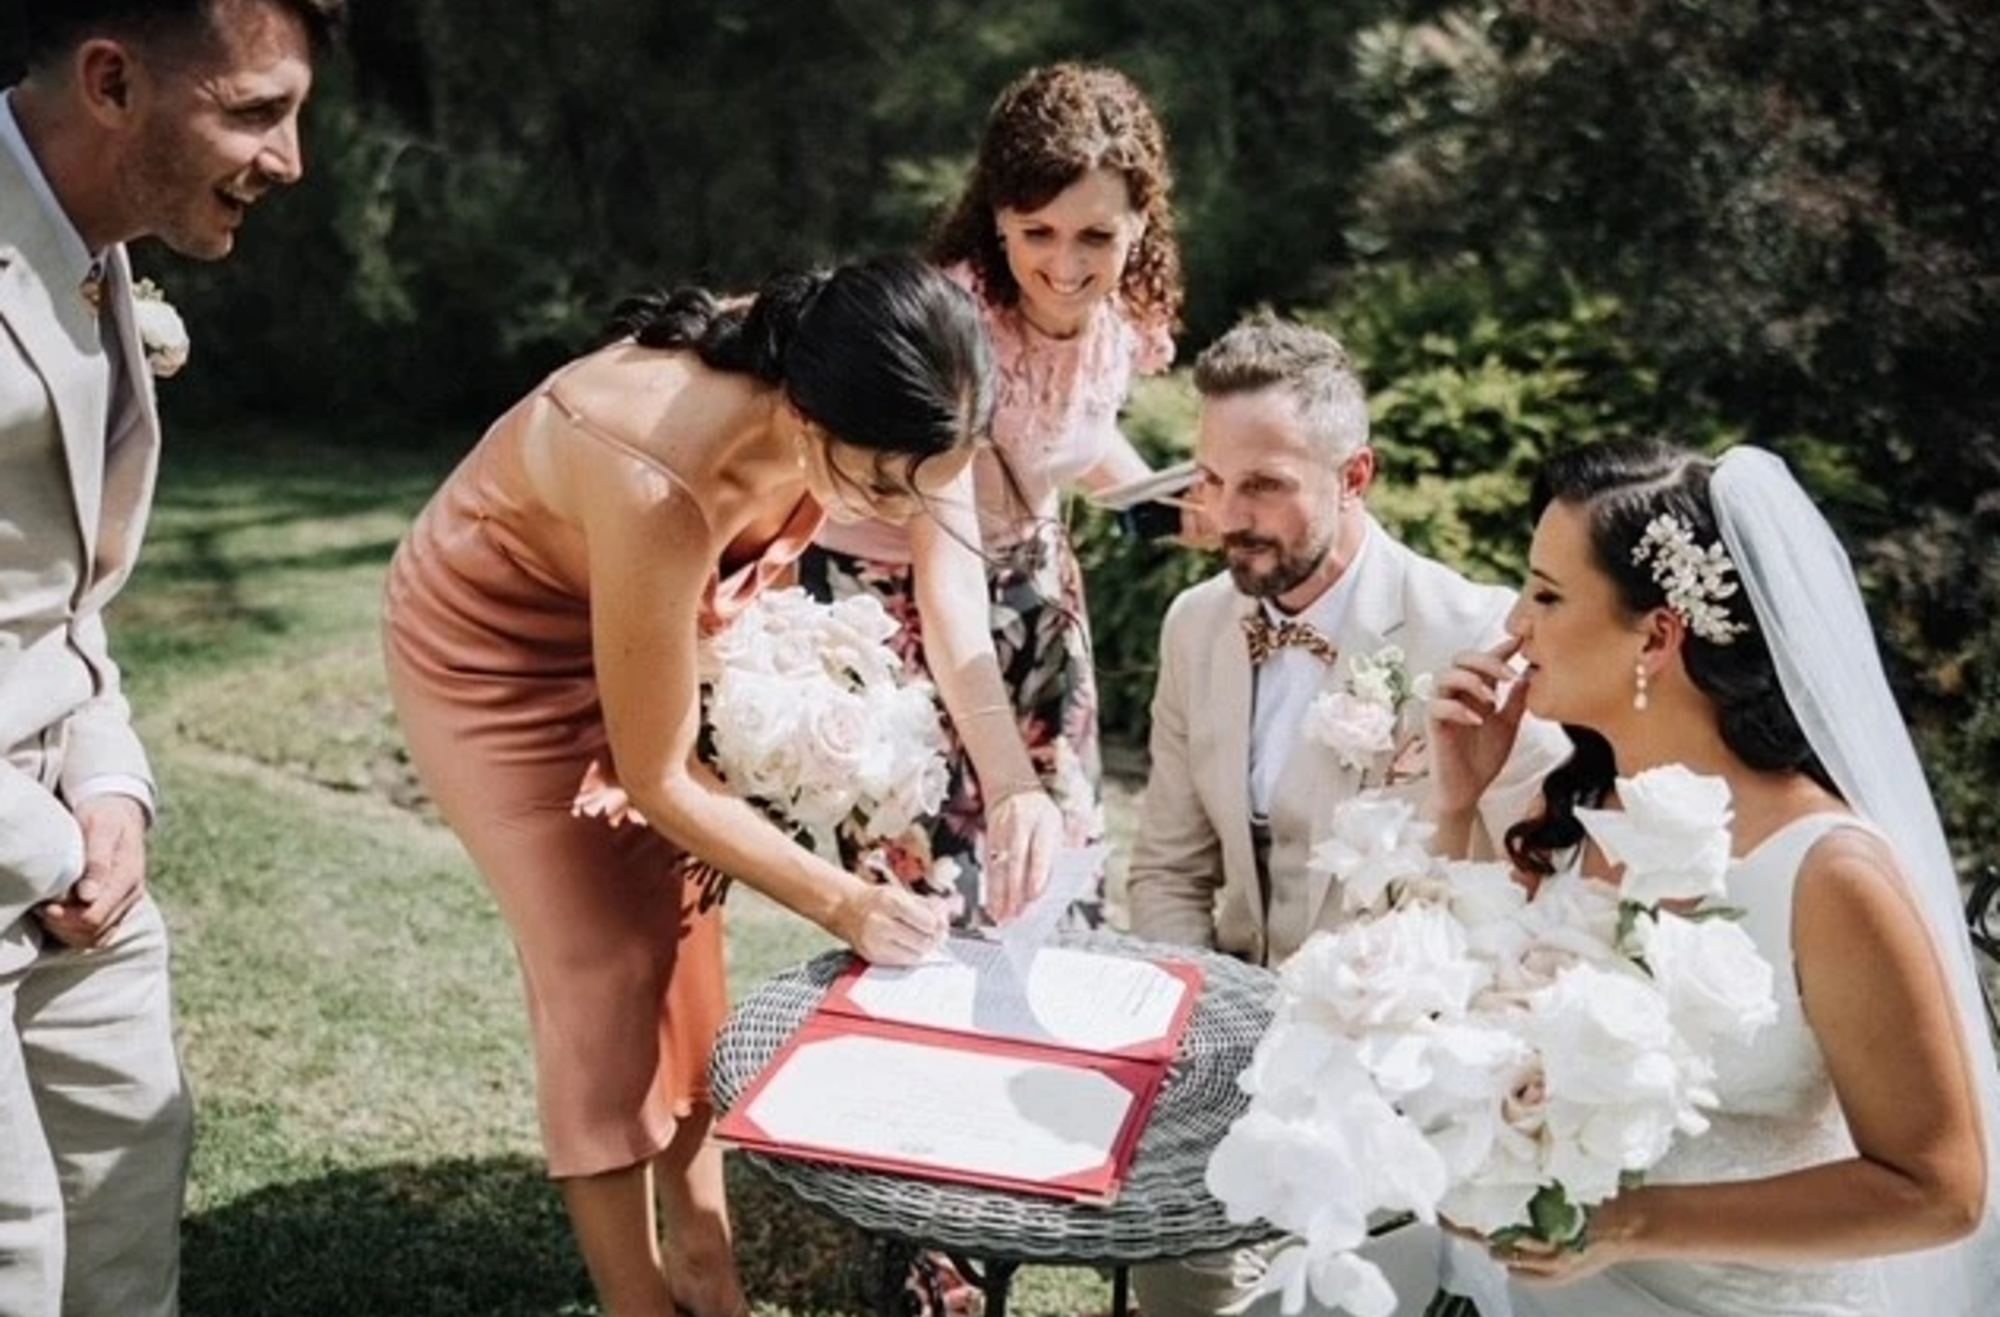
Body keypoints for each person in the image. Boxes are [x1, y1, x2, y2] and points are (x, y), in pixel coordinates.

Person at [380, 254, 1020, 1317]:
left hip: (650, 623)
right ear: (807, 412)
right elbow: (660, 777)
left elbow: (938, 557)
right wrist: (844, 900)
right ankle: (639, 1301)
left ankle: (706, 1265)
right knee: (602, 964)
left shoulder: (900, 392)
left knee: (684, 941)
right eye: (879, 483)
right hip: (495, 655)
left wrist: (1011, 778)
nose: (902, 508)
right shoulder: (657, 476)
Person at [1425, 437, 2000, 1316]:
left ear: (1658, 634)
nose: (1513, 625)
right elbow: (1481, 1026)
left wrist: (1632, 1223)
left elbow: (1940, 1187)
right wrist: (1455, 802)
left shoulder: (1828, 872)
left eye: (1545, 594)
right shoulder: (1579, 813)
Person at [1, 2, 342, 1313]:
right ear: (110, 80)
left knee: (127, 1235)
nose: (291, 158)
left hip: (77, 868)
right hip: (21, 850)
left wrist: (112, 785)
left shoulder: (97, 261)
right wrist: (45, 840)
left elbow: (60, 592)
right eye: (258, 109)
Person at [1124, 313, 1570, 1317]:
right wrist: (1190, 1036)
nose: (1230, 516)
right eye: (1214, 479)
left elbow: (1531, 900)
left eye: (1266, 484)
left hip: (1404, 1082)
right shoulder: (1193, 625)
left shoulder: (1475, 636)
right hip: (1218, 1047)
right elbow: (1165, 867)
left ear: (1353, 476)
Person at [801, 61, 1185, 929]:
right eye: (1036, 232)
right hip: (904, 611)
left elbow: (1066, 430)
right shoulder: (954, 333)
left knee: (1061, 863)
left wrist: (1166, 502)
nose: (1065, 264)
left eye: (1096, 236)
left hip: (1036, 598)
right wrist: (1005, 780)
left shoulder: (1123, 316)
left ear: (1139, 223)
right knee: (935, 889)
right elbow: (949, 586)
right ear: (996, 219)